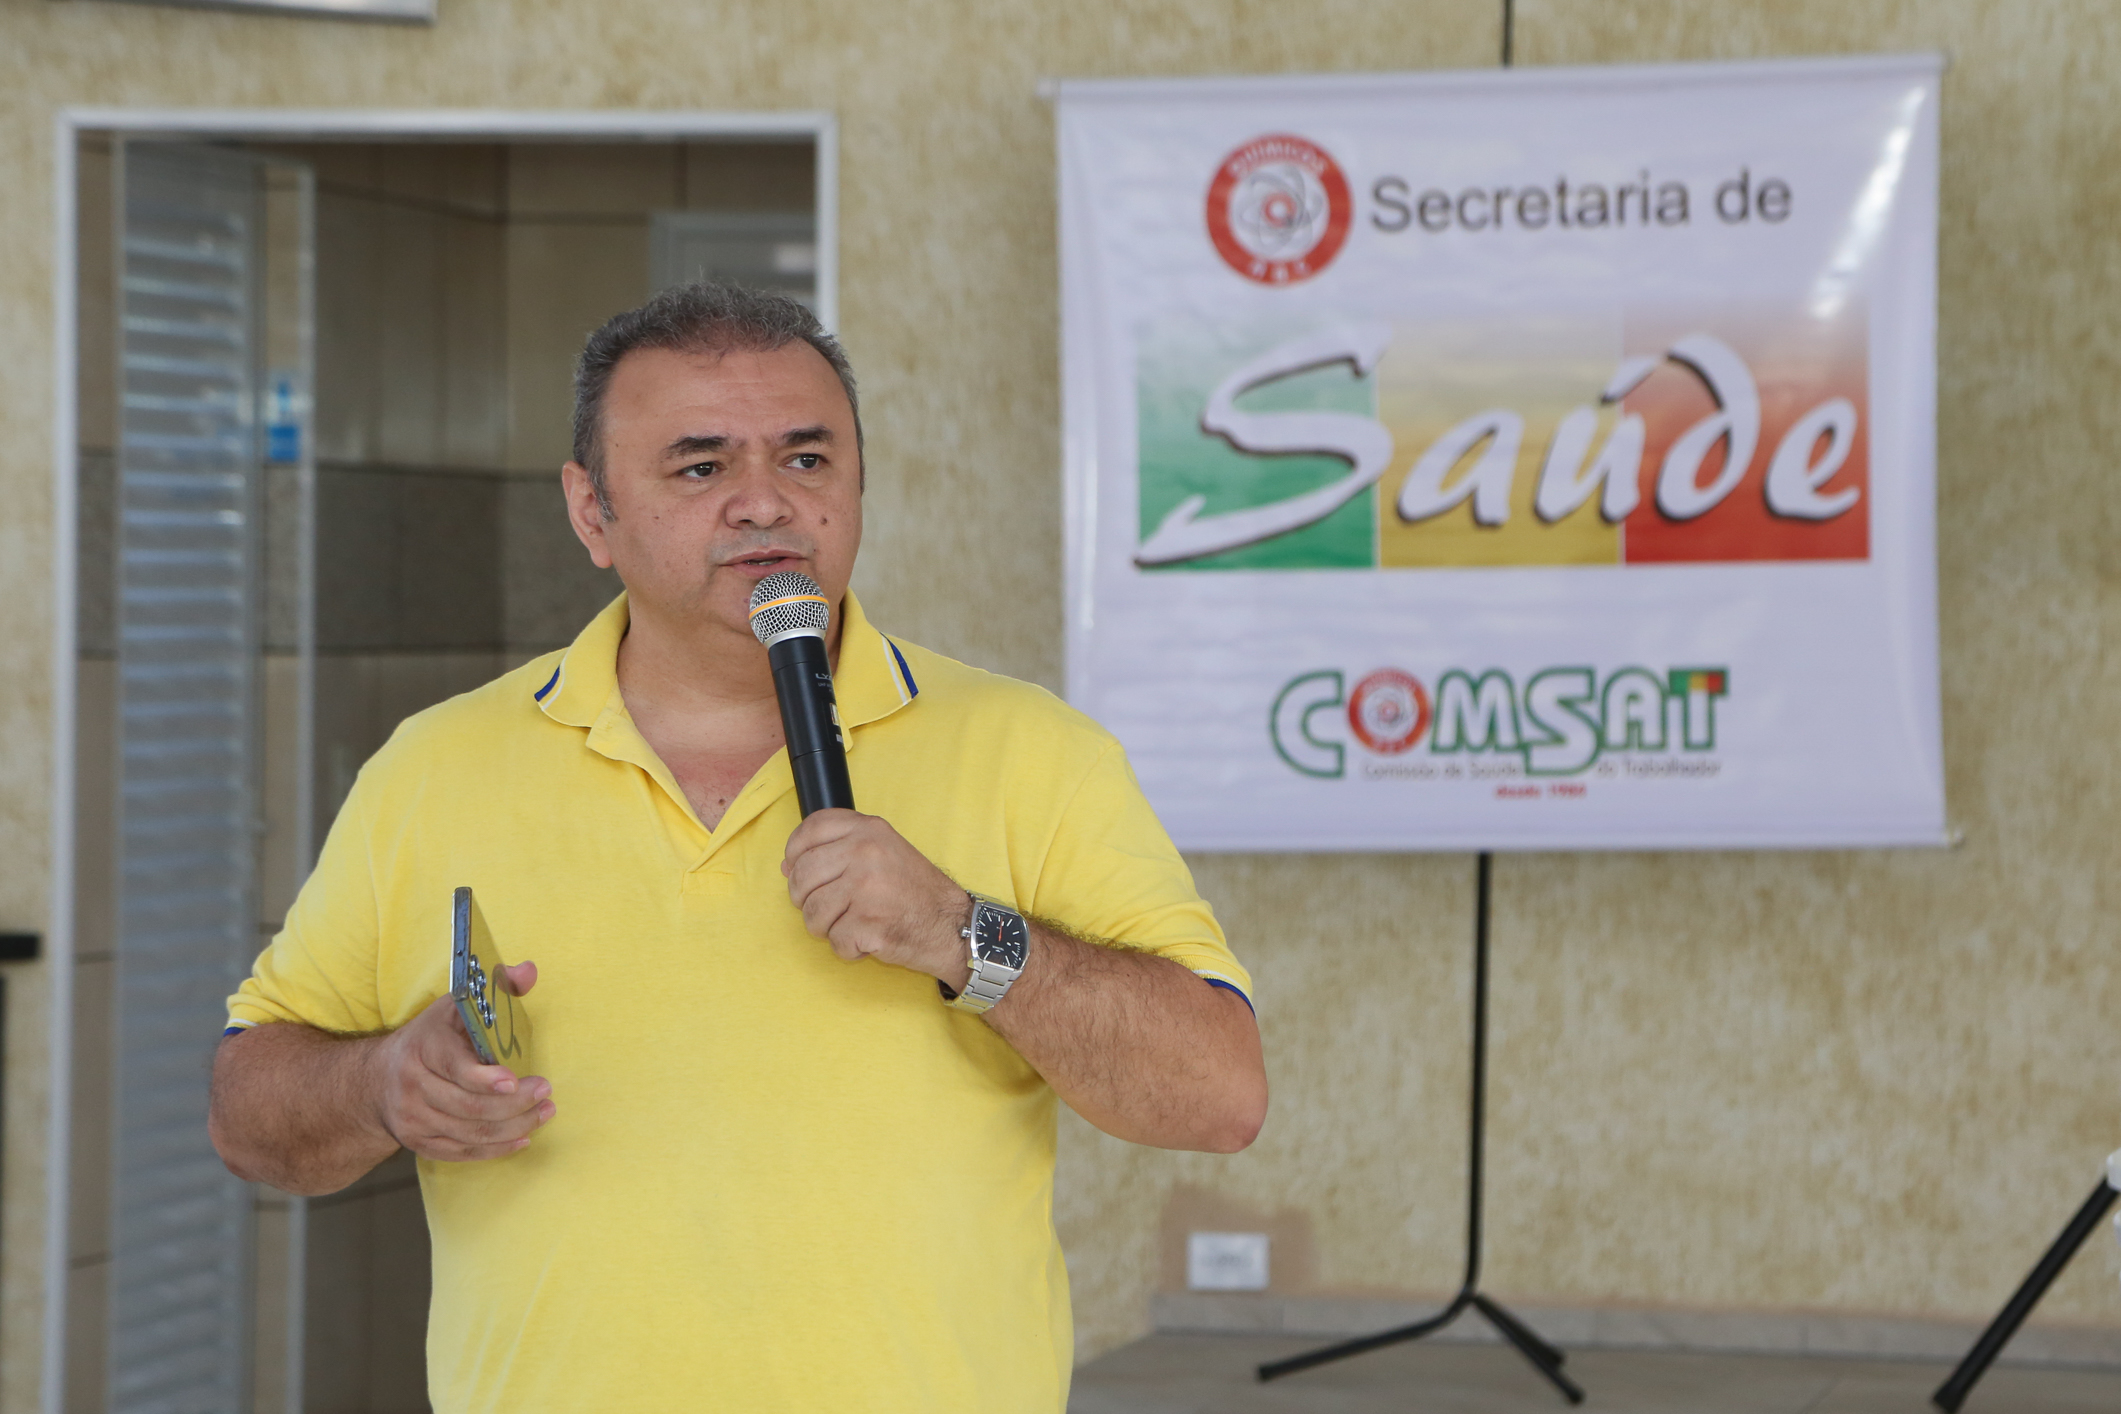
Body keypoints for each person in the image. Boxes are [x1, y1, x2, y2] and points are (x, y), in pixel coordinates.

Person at [207, 282, 1267, 1413]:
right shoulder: (435, 767)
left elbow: (1218, 1095)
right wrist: (381, 1085)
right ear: (591, 511)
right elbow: (247, 1112)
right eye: (700, 467)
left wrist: (966, 934)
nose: (764, 505)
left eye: (807, 460)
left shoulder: (1035, 752)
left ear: (857, 483)